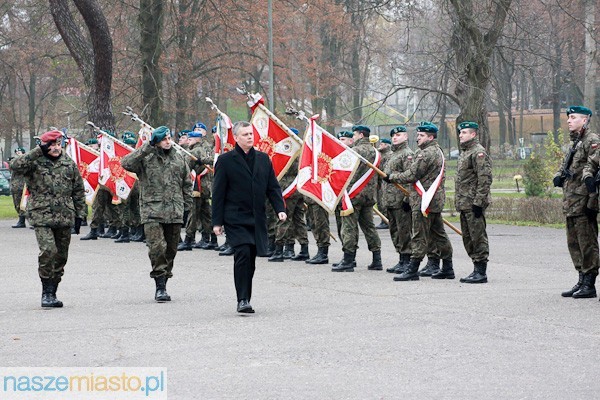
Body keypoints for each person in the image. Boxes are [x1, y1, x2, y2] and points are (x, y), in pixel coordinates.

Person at [212, 121, 286, 313]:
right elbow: (218, 192)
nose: (250, 137)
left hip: (257, 217)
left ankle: (246, 295)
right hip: (235, 217)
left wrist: (280, 208)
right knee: (242, 253)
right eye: (245, 134)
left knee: (251, 259)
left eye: (251, 134)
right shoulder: (226, 160)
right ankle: (242, 300)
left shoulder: (262, 159)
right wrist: (217, 222)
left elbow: (272, 186)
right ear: (236, 138)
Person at [10, 130, 86, 307]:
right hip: (41, 215)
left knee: (61, 256)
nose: (56, 148)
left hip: (64, 216)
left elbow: (78, 190)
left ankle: (53, 291)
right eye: (52, 145)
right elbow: (15, 166)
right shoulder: (34, 161)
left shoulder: (68, 163)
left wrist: (80, 215)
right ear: (44, 146)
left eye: (58, 144)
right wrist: (38, 151)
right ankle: (46, 293)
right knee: (48, 251)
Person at [121, 126, 193, 302]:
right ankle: (159, 286)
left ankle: (165, 280)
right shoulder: (146, 158)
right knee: (156, 248)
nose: (168, 142)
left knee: (171, 250)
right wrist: (147, 147)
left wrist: (187, 207)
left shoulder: (179, 158)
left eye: (169, 138)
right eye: (164, 139)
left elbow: (186, 183)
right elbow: (125, 163)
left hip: (174, 211)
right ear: (156, 141)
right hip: (152, 211)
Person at [386, 121, 453, 281]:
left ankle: (412, 269)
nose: (418, 138)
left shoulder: (426, 153)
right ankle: (448, 267)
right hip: (433, 200)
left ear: (430, 137)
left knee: (418, 234)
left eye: (421, 136)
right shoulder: (438, 151)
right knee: (439, 235)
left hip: (424, 201)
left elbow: (412, 174)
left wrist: (392, 177)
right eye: (418, 135)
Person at [558, 106, 600, 298]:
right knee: (573, 242)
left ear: (585, 120)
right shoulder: (575, 143)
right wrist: (559, 176)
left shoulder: (592, 141)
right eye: (568, 117)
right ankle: (581, 278)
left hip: (584, 200)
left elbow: (593, 167)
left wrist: (592, 197)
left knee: (587, 242)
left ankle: (589, 283)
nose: (569, 120)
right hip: (571, 200)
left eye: (573, 117)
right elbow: (566, 166)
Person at [333, 125, 382, 272]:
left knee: (349, 227)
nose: (353, 137)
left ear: (360, 135)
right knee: (369, 227)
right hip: (368, 196)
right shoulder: (376, 152)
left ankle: (349, 259)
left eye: (354, 135)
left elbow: (344, 172)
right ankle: (376, 259)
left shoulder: (354, 151)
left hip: (354, 194)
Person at [455, 121, 492, 283]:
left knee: (478, 237)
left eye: (464, 132)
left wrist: (478, 202)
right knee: (468, 237)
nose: (460, 135)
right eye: (460, 132)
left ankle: (481, 271)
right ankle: (475, 267)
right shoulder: (465, 152)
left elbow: (484, 179)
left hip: (473, 203)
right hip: (464, 202)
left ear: (473, 134)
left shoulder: (478, 153)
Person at [382, 126, 414, 274]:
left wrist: (407, 199)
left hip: (401, 200)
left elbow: (410, 177)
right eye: (393, 135)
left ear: (406, 137)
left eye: (399, 135)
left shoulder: (407, 154)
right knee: (394, 231)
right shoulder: (392, 155)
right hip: (390, 200)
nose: (395, 137)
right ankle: (401, 258)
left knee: (404, 231)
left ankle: (407, 259)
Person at [9, 147, 27, 228]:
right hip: (15, 186)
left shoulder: (24, 162)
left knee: (24, 204)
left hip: (23, 186)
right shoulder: (14, 162)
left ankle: (23, 221)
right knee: (17, 204)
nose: (17, 154)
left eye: (19, 152)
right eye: (17, 153)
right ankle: (21, 221)